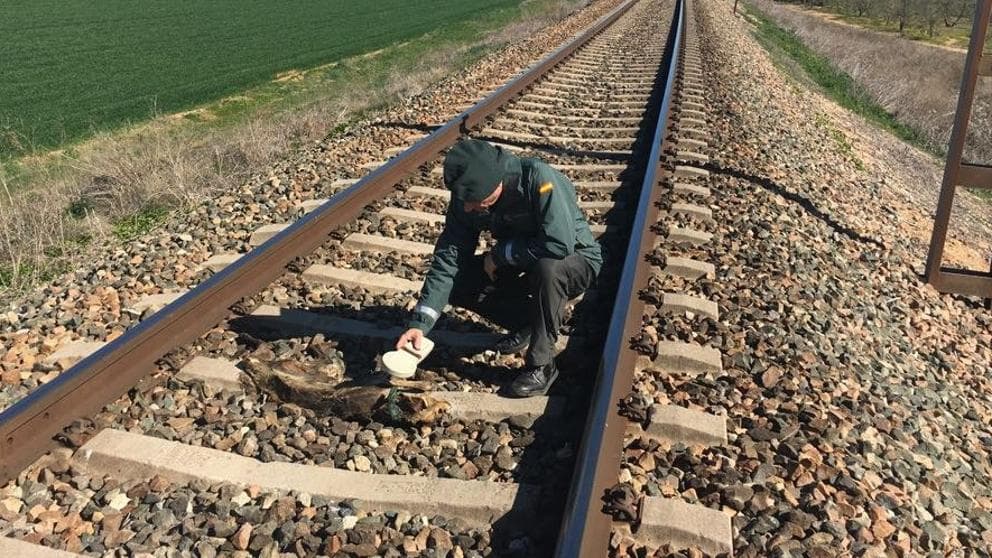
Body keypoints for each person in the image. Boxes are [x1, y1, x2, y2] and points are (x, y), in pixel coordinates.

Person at [394, 138, 602, 397]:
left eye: (473, 199)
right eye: (464, 200)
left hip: (574, 261)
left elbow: (558, 244)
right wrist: (420, 324)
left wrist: (502, 254)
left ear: (495, 184)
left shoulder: (540, 179)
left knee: (548, 268)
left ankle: (542, 365)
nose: (468, 207)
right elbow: (449, 258)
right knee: (460, 277)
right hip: (525, 260)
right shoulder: (467, 198)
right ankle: (527, 322)